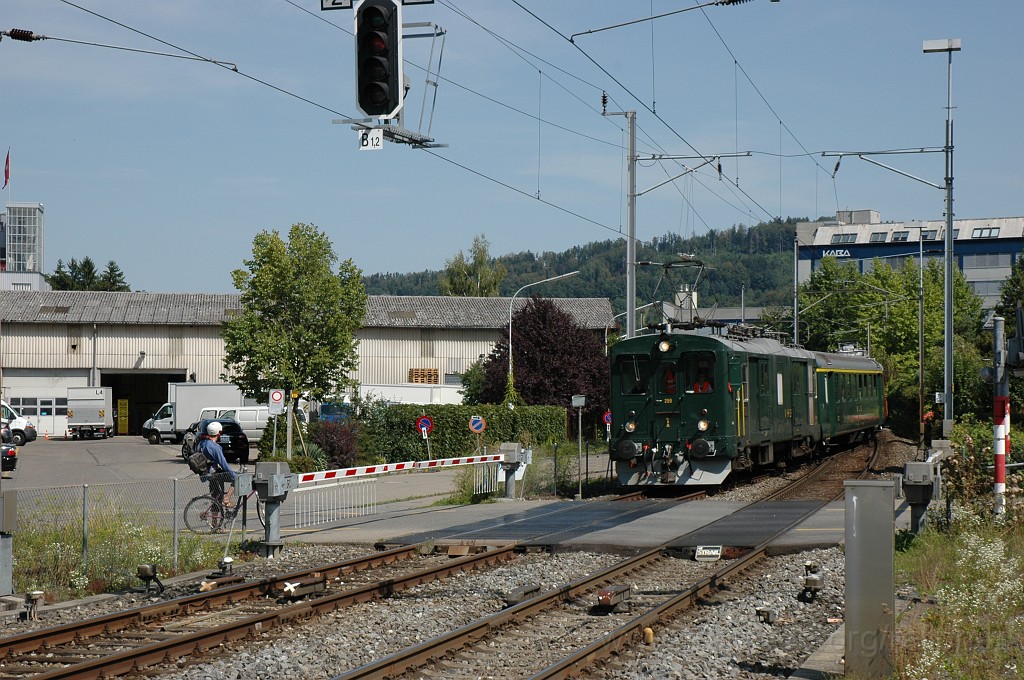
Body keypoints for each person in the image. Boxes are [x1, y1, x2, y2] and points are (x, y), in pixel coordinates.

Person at [197, 421, 237, 508]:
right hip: (215, 474)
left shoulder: (202, 444)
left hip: (206, 474)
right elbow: (223, 464)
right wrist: (233, 475)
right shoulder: (215, 447)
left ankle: (215, 521)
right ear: (219, 433)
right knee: (237, 479)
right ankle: (226, 499)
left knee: (216, 498)